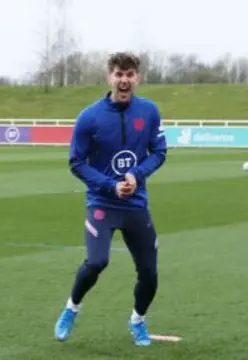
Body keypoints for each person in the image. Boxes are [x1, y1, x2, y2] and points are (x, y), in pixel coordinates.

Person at [53, 52, 167, 347]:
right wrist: (109, 186)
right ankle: (71, 309)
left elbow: (159, 151)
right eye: (118, 74)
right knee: (97, 261)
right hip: (102, 203)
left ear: (138, 78)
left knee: (150, 273)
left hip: (135, 205)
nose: (124, 80)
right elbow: (76, 162)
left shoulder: (150, 112)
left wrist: (137, 176)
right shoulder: (89, 117)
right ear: (109, 77)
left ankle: (137, 321)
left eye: (130, 74)